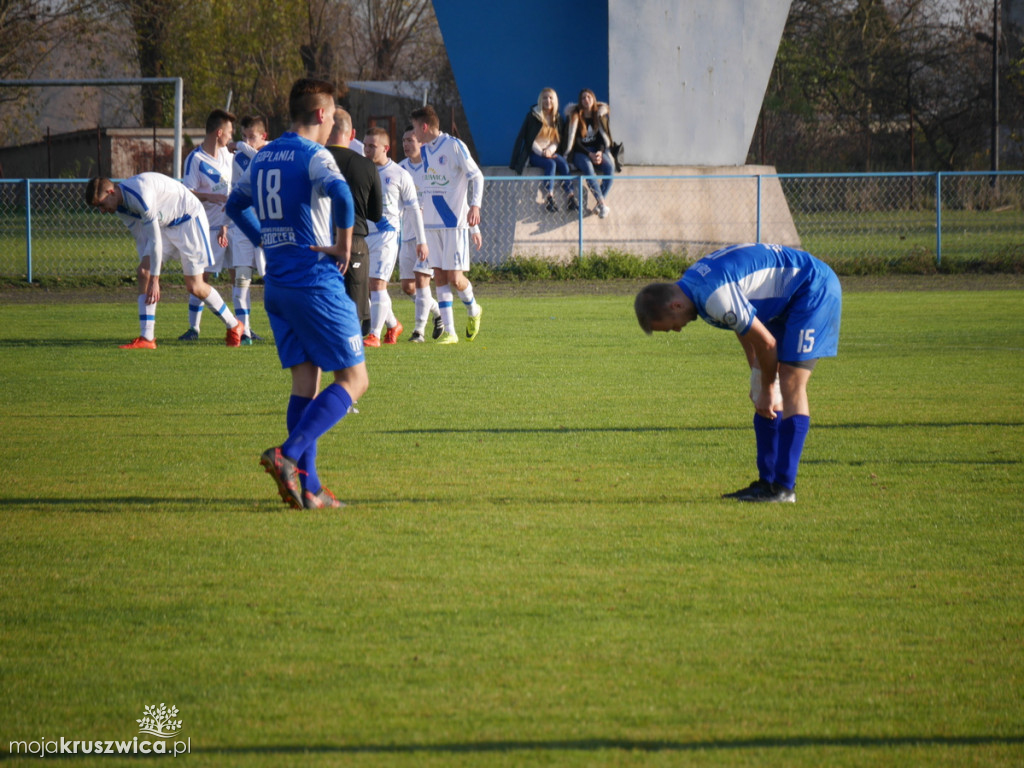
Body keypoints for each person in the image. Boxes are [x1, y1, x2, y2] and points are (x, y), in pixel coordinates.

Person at [225, 77, 362, 510]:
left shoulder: (264, 156)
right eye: (332, 114)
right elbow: (342, 194)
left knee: (306, 383)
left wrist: (265, 239)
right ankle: (287, 453)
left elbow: (233, 206)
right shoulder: (314, 155)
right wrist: (343, 243)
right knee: (355, 380)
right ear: (322, 114)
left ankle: (312, 490)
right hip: (314, 282)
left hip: (278, 287)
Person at [634, 242, 842, 503]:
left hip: (812, 288)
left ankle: (784, 488)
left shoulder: (713, 295)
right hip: (783, 300)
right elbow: (742, 324)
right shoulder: (693, 287)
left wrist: (767, 388)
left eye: (670, 326)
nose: (677, 331)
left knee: (790, 381)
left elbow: (767, 343)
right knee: (763, 384)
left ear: (675, 306)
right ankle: (767, 483)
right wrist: (757, 370)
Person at [85, 173, 245, 348]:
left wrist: (156, 279)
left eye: (101, 205)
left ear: (111, 192)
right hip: (166, 225)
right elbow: (142, 238)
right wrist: (148, 271)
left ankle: (234, 325)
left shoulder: (140, 195)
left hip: (189, 221)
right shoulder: (120, 206)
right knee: (143, 273)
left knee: (195, 286)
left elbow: (155, 240)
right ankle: (147, 339)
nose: (101, 211)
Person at [410, 104, 484, 344]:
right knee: (439, 277)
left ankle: (473, 309)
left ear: (424, 127)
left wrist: (475, 206)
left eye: (414, 129)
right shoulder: (425, 151)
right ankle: (450, 333)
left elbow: (477, 176)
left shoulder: (453, 146)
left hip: (453, 224)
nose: (413, 135)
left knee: (455, 278)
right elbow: (428, 186)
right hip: (431, 225)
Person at [362, 126, 427, 346]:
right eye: (365, 145)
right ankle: (393, 325)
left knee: (378, 285)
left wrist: (421, 241)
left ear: (386, 148)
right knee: (368, 289)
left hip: (386, 235)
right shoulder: (362, 170)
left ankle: (374, 334)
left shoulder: (399, 175)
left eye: (373, 146)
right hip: (363, 235)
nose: (367, 150)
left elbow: (413, 209)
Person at [180, 108, 236, 340]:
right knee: (201, 278)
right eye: (230, 132)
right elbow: (187, 193)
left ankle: (245, 328)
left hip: (233, 225)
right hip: (208, 228)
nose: (232, 137)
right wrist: (212, 197)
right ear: (219, 132)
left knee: (239, 275)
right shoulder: (195, 159)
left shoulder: (227, 154)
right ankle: (194, 328)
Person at [326, 107, 382, 337]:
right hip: (355, 240)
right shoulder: (366, 165)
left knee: (323, 301)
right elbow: (376, 213)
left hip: (320, 240)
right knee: (355, 307)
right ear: (353, 133)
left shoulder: (312, 160)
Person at [397, 126, 443, 342]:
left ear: (421, 143)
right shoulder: (400, 169)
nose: (406, 144)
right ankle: (437, 312)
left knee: (422, 280)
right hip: (406, 232)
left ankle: (419, 331)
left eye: (411, 140)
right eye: (404, 140)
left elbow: (442, 194)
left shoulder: (432, 167)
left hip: (428, 234)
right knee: (408, 286)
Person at [229, 114, 270, 344]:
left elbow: (259, 157)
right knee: (242, 278)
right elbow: (234, 192)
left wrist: (241, 146)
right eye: (243, 136)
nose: (246, 141)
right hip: (243, 225)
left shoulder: (273, 151)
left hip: (267, 226)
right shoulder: (238, 159)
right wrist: (226, 225)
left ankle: (288, 329)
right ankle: (243, 331)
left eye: (251, 137)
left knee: (272, 278)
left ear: (263, 137)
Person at [509, 87, 578, 213]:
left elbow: (557, 140)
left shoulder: (556, 118)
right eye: (545, 98)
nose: (548, 100)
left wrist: (550, 151)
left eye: (551, 98)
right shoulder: (532, 116)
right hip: (535, 153)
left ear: (555, 100)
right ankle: (549, 198)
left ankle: (571, 197)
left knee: (563, 163)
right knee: (550, 164)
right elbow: (529, 140)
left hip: (550, 151)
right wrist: (542, 152)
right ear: (541, 100)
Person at [564, 89, 614, 218]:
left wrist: (599, 152)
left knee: (610, 167)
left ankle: (599, 202)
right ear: (580, 101)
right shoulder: (575, 117)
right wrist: (589, 154)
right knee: (588, 167)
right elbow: (575, 142)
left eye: (589, 97)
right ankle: (602, 204)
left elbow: (602, 138)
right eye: (583, 98)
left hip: (595, 151)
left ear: (593, 99)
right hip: (579, 153)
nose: (586, 100)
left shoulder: (599, 116)